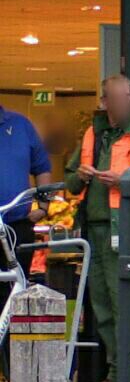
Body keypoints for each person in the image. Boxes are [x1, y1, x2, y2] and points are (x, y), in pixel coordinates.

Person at [65, 75, 130, 382]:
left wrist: (122, 180)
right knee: (103, 305)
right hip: (95, 229)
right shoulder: (92, 134)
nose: (123, 104)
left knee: (124, 301)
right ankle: (115, 372)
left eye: (127, 98)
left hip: (125, 227)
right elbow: (69, 182)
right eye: (116, 98)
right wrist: (80, 176)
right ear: (105, 101)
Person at [0, 102, 53, 278]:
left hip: (18, 225)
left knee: (17, 285)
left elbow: (42, 167)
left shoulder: (21, 125)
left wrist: (43, 208)